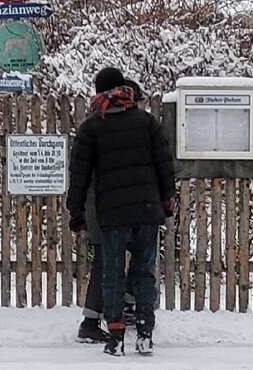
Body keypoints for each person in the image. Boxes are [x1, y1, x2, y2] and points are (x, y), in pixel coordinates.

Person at [67, 68, 175, 356]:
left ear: (99, 92)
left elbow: (79, 174)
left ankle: (115, 338)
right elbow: (165, 164)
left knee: (113, 272)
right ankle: (145, 334)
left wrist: (75, 212)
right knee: (143, 272)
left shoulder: (92, 127)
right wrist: (167, 200)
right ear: (124, 89)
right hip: (147, 209)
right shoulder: (147, 122)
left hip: (112, 213)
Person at [74, 79, 148, 345]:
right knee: (107, 261)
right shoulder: (103, 126)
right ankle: (91, 320)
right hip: (105, 207)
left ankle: (116, 309)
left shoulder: (97, 124)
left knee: (118, 258)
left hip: (106, 205)